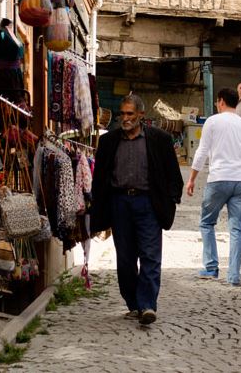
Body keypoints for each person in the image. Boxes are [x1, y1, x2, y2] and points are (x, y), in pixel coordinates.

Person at [91, 94, 183, 325]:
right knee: (125, 259)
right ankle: (133, 302)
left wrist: (171, 198)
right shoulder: (109, 141)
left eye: (130, 114)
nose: (125, 118)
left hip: (148, 203)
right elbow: (100, 177)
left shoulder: (159, 139)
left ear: (141, 115)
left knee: (151, 256)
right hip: (120, 204)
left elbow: (173, 173)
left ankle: (147, 305)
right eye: (122, 114)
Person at [185, 87, 241, 286]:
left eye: (217, 102)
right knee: (237, 230)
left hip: (218, 179)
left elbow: (201, 152)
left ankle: (211, 268)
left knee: (207, 223)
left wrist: (191, 179)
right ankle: (234, 275)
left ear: (221, 101)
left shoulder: (213, 122)